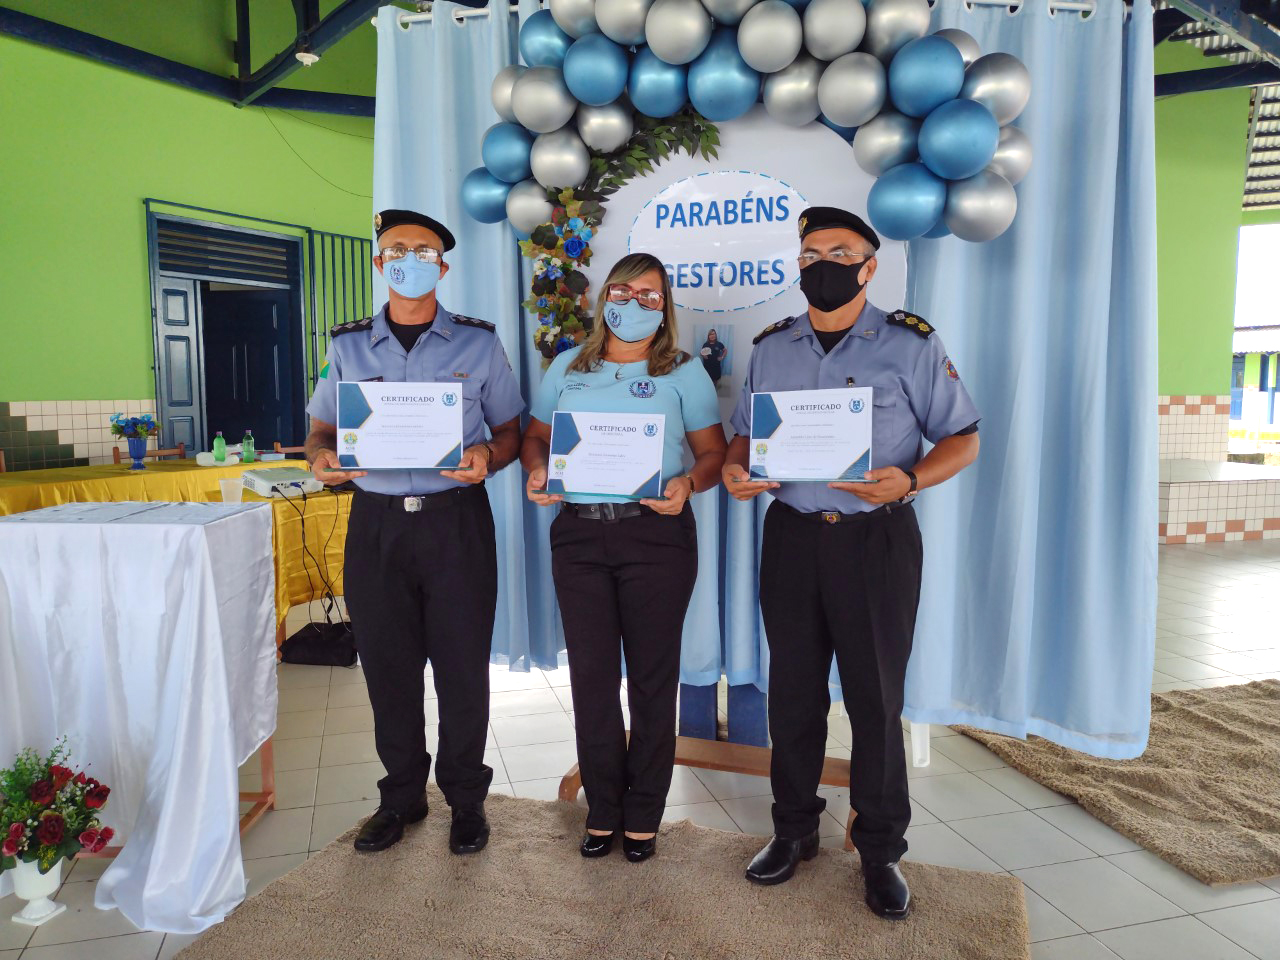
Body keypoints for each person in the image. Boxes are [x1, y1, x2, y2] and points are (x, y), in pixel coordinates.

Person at [722, 207, 980, 919]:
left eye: (839, 251)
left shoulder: (910, 345)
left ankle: (880, 852)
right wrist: (736, 474)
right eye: (810, 253)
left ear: (869, 267)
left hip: (876, 540)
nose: (822, 264)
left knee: (875, 701)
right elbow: (744, 442)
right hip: (793, 536)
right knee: (793, 695)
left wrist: (912, 479)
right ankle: (793, 831)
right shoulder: (772, 347)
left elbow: (964, 437)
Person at [304, 209, 524, 856]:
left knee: (462, 670)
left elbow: (511, 430)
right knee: (388, 669)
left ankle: (465, 800)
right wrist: (321, 461)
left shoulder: (479, 345)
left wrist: (489, 457)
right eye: (395, 249)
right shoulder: (346, 347)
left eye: (422, 251)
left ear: (442, 267)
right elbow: (320, 431)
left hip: (456, 523)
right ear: (379, 264)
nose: (408, 258)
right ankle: (401, 797)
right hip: (374, 526)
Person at [521, 253, 727, 863]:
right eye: (623, 290)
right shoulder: (568, 366)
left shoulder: (684, 373)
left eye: (649, 295)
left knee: (652, 679)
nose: (633, 303)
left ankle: (645, 812)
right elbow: (535, 437)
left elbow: (711, 454)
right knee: (589, 678)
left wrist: (689, 485)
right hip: (580, 537)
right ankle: (603, 808)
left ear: (665, 309)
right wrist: (536, 469)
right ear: (603, 297)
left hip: (655, 539)